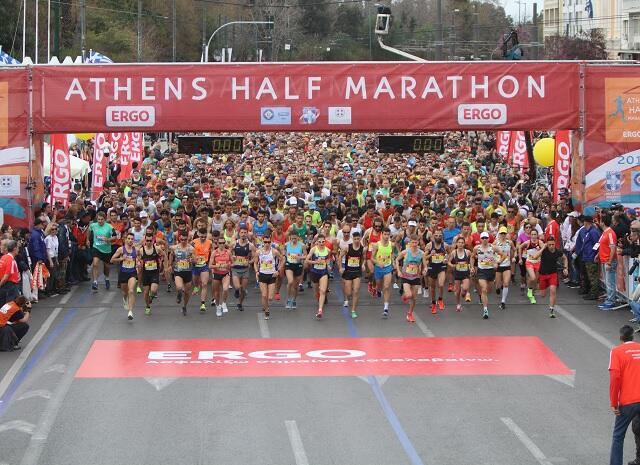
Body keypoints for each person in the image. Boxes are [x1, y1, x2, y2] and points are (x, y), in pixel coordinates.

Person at [609, 325, 640, 465]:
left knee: (618, 435)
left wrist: (614, 403)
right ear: (633, 336)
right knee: (638, 428)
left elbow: (615, 378)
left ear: (620, 337)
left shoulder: (616, 352)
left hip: (629, 402)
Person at [530, 236, 568, 318]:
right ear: (547, 244)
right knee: (542, 295)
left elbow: (565, 258)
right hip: (543, 274)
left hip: (553, 274)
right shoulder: (544, 250)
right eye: (549, 244)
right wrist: (543, 248)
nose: (551, 246)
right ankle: (546, 286)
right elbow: (535, 257)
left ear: (555, 244)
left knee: (553, 291)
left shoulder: (558, 251)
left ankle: (551, 310)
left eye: (553, 244)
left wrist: (565, 268)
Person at [472, 231, 505, 319]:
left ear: (489, 238)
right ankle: (485, 310)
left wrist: (498, 263)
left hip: (491, 271)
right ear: (480, 239)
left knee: (489, 290)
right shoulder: (477, 248)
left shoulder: (493, 247)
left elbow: (504, 255)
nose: (484, 239)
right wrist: (472, 267)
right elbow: (472, 257)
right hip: (481, 271)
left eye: (486, 238)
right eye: (483, 238)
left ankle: (485, 300)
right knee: (484, 289)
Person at [395, 234, 424, 323]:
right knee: (409, 295)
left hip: (416, 277)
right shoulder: (405, 252)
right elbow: (397, 260)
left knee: (414, 298)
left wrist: (424, 269)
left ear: (418, 242)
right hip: (406, 277)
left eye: (416, 242)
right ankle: (405, 295)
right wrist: (399, 271)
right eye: (413, 242)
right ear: (409, 243)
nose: (414, 244)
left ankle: (410, 313)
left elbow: (424, 264)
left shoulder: (421, 253)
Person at [110, 232, 138, 320]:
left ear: (133, 240)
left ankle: (130, 311)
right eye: (128, 239)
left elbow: (139, 259)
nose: (130, 240)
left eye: (132, 239)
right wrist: (121, 258)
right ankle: (125, 298)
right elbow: (112, 260)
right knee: (125, 292)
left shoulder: (136, 250)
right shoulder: (121, 249)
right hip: (123, 273)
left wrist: (139, 263)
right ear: (125, 240)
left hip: (132, 273)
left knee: (131, 291)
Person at [255, 235, 281, 320]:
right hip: (262, 275)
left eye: (268, 242)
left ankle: (266, 306)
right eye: (265, 242)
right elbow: (255, 262)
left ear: (271, 242)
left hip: (272, 275)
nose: (267, 244)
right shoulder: (258, 252)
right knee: (264, 295)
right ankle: (266, 310)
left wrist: (278, 271)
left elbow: (282, 260)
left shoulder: (274, 251)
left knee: (270, 297)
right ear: (263, 242)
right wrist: (256, 271)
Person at [339, 231, 364, 319]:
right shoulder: (347, 248)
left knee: (356, 291)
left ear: (360, 239)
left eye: (358, 239)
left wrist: (363, 265)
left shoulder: (362, 248)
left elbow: (363, 258)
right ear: (352, 239)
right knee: (349, 293)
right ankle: (347, 297)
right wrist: (340, 267)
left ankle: (353, 310)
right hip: (348, 272)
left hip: (357, 272)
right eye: (355, 239)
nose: (357, 240)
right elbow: (340, 257)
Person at [306, 234, 332, 320]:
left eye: (323, 241)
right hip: (314, 272)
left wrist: (328, 265)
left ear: (325, 241)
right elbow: (307, 260)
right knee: (317, 292)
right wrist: (315, 262)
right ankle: (319, 297)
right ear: (317, 242)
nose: (321, 243)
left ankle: (320, 310)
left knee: (323, 291)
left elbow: (328, 259)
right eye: (319, 242)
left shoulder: (327, 250)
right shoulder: (314, 249)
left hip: (323, 272)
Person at [371, 227, 394, 318]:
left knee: (387, 286)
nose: (386, 236)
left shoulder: (391, 244)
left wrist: (393, 263)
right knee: (379, 285)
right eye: (385, 234)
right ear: (382, 234)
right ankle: (378, 290)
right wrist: (378, 262)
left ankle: (386, 308)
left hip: (387, 267)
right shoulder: (376, 245)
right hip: (378, 268)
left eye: (388, 234)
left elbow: (391, 254)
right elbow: (372, 258)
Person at [89, 212, 115, 292]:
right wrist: (87, 240)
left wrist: (108, 239)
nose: (100, 221)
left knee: (106, 267)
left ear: (105, 219)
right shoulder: (93, 225)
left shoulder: (109, 227)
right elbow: (88, 231)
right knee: (95, 264)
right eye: (98, 219)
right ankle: (95, 282)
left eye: (102, 219)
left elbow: (115, 236)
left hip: (106, 249)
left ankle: (107, 278)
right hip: (96, 247)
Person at [231, 226, 255, 311]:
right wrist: (232, 257)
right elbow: (228, 253)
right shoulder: (234, 244)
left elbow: (255, 257)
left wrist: (249, 262)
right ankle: (237, 290)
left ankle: (240, 303)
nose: (243, 234)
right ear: (239, 233)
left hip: (245, 270)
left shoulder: (250, 245)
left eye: (245, 232)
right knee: (237, 286)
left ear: (247, 234)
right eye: (242, 232)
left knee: (243, 290)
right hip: (235, 269)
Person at [170, 231, 194, 316]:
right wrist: (169, 265)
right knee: (179, 287)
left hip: (188, 272)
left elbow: (195, 260)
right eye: (182, 239)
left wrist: (192, 260)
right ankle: (179, 294)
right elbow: (171, 255)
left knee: (187, 292)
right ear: (179, 239)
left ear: (188, 239)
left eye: (185, 239)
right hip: (178, 271)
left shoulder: (191, 249)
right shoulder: (175, 248)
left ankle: (184, 306)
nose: (183, 241)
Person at [425, 229, 448, 315]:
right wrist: (431, 254)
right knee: (433, 287)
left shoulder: (445, 245)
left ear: (442, 236)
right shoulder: (429, 245)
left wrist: (446, 259)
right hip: (432, 267)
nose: (438, 237)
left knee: (441, 284)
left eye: (440, 235)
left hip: (441, 267)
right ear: (433, 236)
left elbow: (450, 254)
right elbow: (424, 257)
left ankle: (440, 299)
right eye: (436, 235)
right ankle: (433, 303)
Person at [599, 214, 619, 310]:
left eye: (600, 221)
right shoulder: (605, 232)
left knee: (610, 282)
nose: (599, 222)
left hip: (608, 261)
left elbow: (613, 248)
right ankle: (609, 299)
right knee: (608, 282)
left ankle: (611, 301)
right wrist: (597, 255)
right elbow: (603, 246)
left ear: (603, 222)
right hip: (604, 260)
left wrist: (610, 262)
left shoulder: (610, 233)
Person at [138, 232, 161, 316]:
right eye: (147, 240)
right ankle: (148, 307)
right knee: (146, 292)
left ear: (153, 240)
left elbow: (164, 255)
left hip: (154, 272)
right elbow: (138, 258)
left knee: (153, 290)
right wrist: (138, 263)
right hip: (145, 273)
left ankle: (151, 297)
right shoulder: (141, 250)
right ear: (145, 240)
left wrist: (166, 266)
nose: (149, 242)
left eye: (150, 240)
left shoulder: (157, 249)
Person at [210, 236, 232, 317]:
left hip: (225, 273)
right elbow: (210, 265)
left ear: (225, 243)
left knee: (225, 289)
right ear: (217, 243)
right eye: (220, 243)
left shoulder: (228, 252)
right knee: (217, 293)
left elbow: (233, 263)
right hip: (217, 274)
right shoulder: (214, 253)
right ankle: (218, 307)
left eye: (223, 243)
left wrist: (228, 265)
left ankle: (224, 303)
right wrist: (217, 266)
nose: (222, 244)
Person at [449, 236, 472, 313]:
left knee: (465, 288)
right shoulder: (454, 252)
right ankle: (458, 304)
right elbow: (449, 261)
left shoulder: (467, 252)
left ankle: (463, 290)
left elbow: (472, 260)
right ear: (456, 244)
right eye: (459, 242)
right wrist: (452, 265)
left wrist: (471, 267)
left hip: (465, 273)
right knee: (457, 292)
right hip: (457, 273)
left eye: (462, 243)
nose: (460, 244)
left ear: (464, 244)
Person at [494, 226, 515, 310]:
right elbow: (491, 252)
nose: (503, 235)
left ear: (506, 234)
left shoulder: (509, 242)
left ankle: (503, 302)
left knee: (506, 284)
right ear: (499, 234)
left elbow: (514, 249)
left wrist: (514, 256)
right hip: (498, 266)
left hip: (507, 266)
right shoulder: (496, 242)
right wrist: (494, 262)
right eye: (501, 233)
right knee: (498, 285)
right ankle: (497, 288)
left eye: (504, 233)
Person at [192, 228, 212, 313]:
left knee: (204, 284)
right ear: (198, 234)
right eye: (201, 236)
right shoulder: (193, 242)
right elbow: (189, 251)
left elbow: (212, 253)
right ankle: (196, 287)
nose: (203, 238)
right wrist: (192, 259)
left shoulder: (210, 243)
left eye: (205, 236)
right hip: (195, 265)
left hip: (204, 265)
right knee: (196, 282)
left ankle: (203, 303)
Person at [284, 232, 306, 310]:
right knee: (290, 281)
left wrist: (300, 257)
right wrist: (285, 257)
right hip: (289, 265)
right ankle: (288, 299)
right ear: (290, 238)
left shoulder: (302, 245)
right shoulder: (286, 245)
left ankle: (294, 300)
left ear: (298, 238)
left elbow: (306, 256)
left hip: (298, 265)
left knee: (295, 286)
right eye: (292, 238)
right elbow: (284, 253)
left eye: (295, 238)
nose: (293, 240)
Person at [0, 240, 22, 306]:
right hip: (10, 286)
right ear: (14, 249)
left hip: (4, 286)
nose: (18, 250)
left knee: (3, 306)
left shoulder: (3, 257)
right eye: (18, 248)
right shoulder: (11, 260)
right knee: (11, 307)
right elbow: (6, 276)